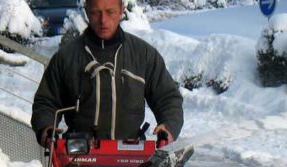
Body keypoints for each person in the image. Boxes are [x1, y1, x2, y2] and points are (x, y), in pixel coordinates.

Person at [31, 0, 184, 147]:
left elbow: (168, 98)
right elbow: (46, 102)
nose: (103, 20)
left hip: (131, 158)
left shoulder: (143, 55)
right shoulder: (66, 57)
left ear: (121, 11)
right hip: (78, 159)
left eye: (110, 12)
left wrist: (168, 127)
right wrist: (46, 128)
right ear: (86, 11)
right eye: (96, 12)